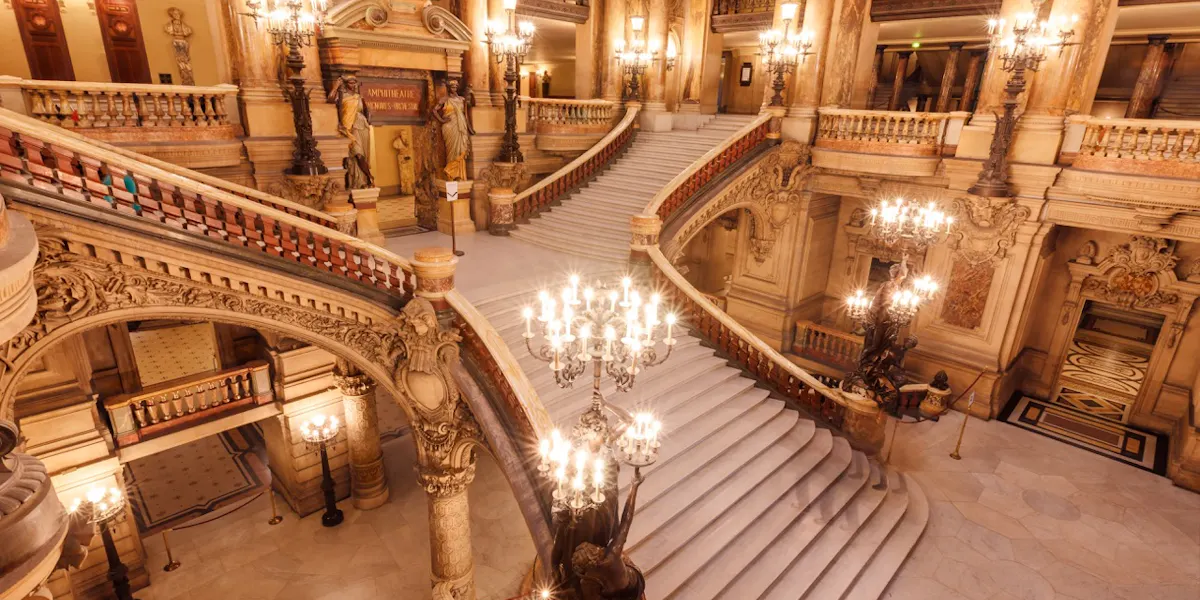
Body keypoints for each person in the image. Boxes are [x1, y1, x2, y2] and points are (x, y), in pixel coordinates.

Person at [327, 75, 374, 189]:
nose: (352, 85)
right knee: (358, 153)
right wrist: (335, 87)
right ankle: (370, 176)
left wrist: (368, 118)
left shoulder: (359, 97)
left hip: (362, 126)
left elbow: (366, 110)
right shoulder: (342, 95)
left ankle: (362, 180)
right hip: (350, 127)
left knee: (363, 154)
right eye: (350, 82)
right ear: (346, 84)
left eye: (354, 83)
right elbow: (330, 100)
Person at [430, 79, 475, 181]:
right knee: (452, 150)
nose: (454, 88)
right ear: (448, 88)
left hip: (461, 126)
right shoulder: (444, 99)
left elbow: (470, 106)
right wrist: (442, 120)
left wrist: (471, 93)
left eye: (455, 87)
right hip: (450, 126)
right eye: (452, 87)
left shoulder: (461, 99)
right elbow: (434, 110)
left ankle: (459, 175)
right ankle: (450, 173)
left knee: (461, 149)